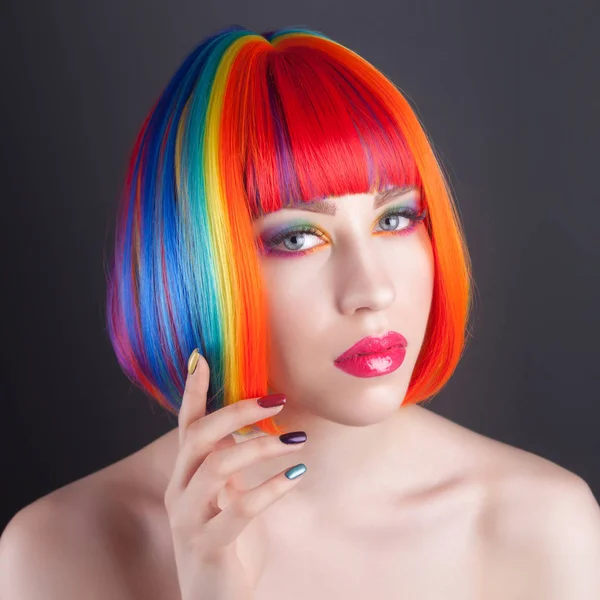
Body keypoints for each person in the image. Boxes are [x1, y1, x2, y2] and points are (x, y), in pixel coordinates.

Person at [1, 24, 599, 600]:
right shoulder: (57, 550)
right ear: (194, 267)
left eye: (395, 219)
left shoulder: (544, 525)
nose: (372, 290)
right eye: (296, 238)